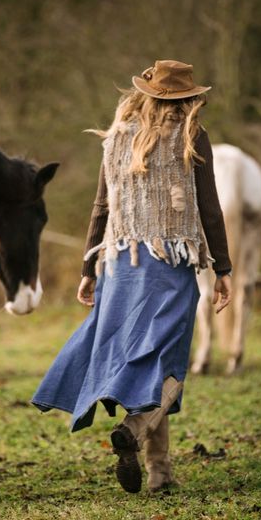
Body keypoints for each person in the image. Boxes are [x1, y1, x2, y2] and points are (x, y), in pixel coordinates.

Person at [31, 60, 232, 493]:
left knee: (147, 367)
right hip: (169, 267)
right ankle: (135, 430)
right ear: (189, 99)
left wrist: (88, 270)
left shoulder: (118, 138)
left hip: (120, 268)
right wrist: (223, 268)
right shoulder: (192, 136)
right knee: (170, 368)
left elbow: (100, 207)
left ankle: (160, 472)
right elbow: (210, 208)